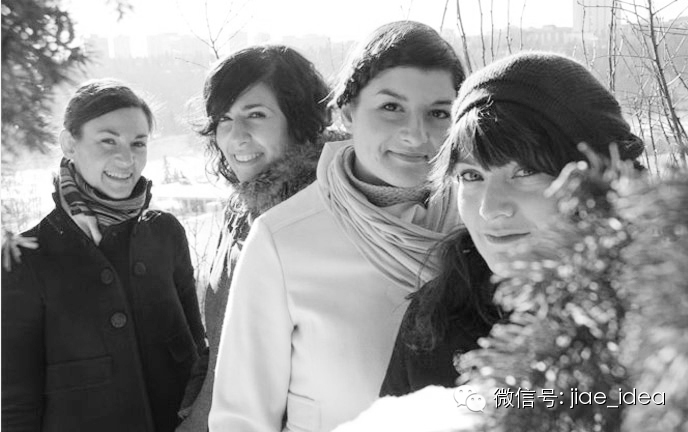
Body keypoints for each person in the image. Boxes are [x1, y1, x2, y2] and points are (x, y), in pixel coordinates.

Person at [208, 21, 465, 432]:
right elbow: (241, 419)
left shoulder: (482, 227)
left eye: (438, 113)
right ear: (347, 112)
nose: (416, 134)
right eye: (391, 107)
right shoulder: (285, 239)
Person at [379, 51, 645, 397]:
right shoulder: (437, 319)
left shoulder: (663, 317)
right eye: (471, 176)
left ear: (600, 178)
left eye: (525, 172)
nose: (490, 209)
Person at [1, 79, 207, 432]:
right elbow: (15, 402)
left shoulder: (166, 233)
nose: (126, 158)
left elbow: (198, 353)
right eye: (108, 140)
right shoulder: (24, 257)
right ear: (69, 143)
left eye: (138, 143)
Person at [176, 45, 332, 432]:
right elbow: (223, 342)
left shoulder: (327, 216)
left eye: (256, 115)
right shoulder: (239, 211)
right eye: (224, 119)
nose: (236, 136)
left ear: (300, 120)